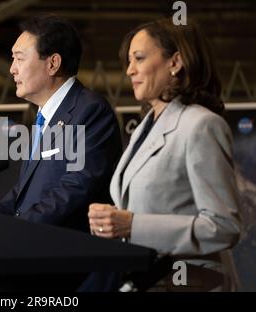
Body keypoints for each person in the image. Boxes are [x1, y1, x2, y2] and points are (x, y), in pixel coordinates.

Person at [88, 18, 241, 291]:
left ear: (175, 63)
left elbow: (223, 227)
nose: (129, 70)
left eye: (139, 58)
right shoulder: (144, 128)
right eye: (129, 61)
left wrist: (132, 224)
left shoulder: (201, 125)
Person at [0, 14, 122, 235]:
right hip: (38, 248)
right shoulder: (42, 115)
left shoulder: (89, 110)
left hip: (71, 256)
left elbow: (76, 187)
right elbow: (24, 193)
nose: (12, 69)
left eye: (19, 59)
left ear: (53, 63)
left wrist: (17, 228)